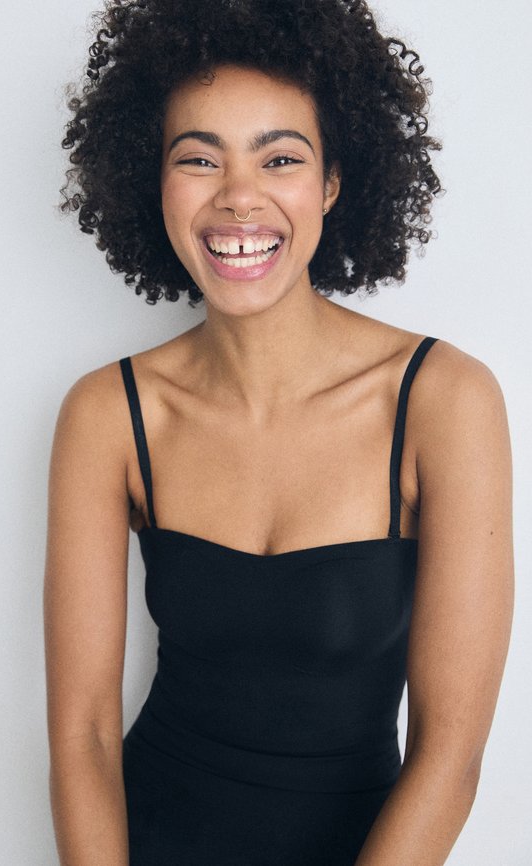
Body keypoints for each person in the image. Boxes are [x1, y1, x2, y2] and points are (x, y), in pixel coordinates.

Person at [43, 1, 514, 864]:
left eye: (281, 158)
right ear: (154, 180)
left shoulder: (443, 401)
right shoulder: (109, 413)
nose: (238, 196)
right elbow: (85, 736)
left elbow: (450, 755)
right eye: (198, 158)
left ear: (332, 183)